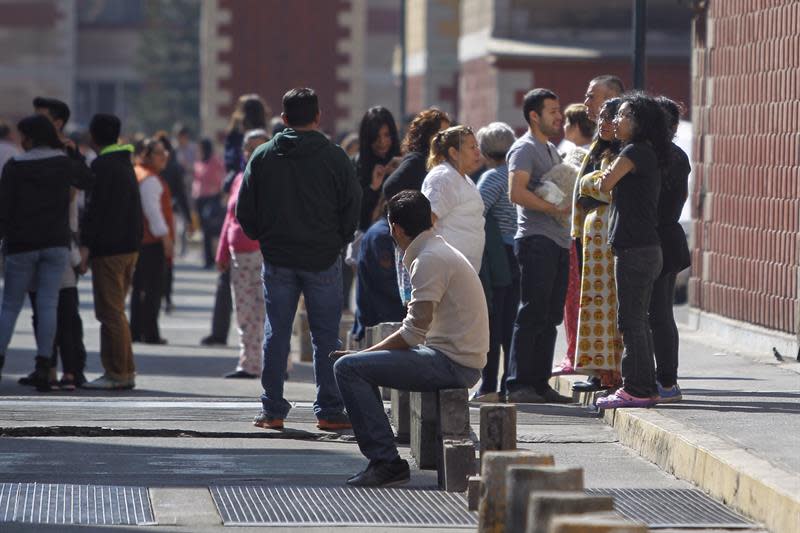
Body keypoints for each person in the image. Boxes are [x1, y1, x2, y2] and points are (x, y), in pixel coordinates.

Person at [333, 191, 488, 487]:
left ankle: (386, 462)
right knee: (355, 365)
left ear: (396, 229)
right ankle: (384, 457)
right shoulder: (435, 250)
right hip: (453, 357)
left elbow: (412, 333)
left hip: (453, 364)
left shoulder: (430, 259)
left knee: (347, 369)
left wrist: (360, 356)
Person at [237, 87, 361, 430]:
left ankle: (272, 409)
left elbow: (244, 210)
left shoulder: (262, 156)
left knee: (276, 333)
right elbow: (353, 205)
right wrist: (339, 239)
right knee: (326, 338)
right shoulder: (335, 157)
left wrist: (265, 237)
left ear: (284, 118)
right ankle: (329, 410)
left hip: (277, 257)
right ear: (318, 116)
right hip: (322, 257)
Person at [0, 115, 92, 389]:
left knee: (10, 305)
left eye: (24, 136)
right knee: (48, 304)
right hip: (55, 243)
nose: (21, 141)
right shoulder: (63, 164)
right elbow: (88, 179)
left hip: (21, 244)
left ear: (31, 138)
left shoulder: (15, 166)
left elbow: (3, 209)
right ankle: (44, 364)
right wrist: (73, 152)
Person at [595, 92, 671, 409]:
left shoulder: (634, 152)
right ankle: (644, 386)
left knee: (632, 322)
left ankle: (637, 388)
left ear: (639, 123)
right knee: (637, 320)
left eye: (623, 115)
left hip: (635, 250)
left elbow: (603, 185)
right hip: (643, 248)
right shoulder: (643, 152)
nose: (616, 120)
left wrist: (606, 162)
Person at [505, 88, 573, 404]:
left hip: (558, 241)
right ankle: (518, 384)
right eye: (552, 111)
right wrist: (553, 209)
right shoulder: (524, 148)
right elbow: (516, 193)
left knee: (550, 316)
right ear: (534, 115)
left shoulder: (551, 150)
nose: (559, 117)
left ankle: (540, 383)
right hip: (535, 240)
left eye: (559, 111)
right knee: (532, 312)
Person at [80, 114, 143, 390]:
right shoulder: (124, 162)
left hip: (108, 250)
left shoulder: (102, 165)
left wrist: (86, 246)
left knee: (110, 313)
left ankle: (117, 372)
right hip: (129, 248)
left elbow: (95, 211)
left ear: (93, 136)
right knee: (117, 312)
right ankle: (125, 370)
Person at [201, 95, 269, 347]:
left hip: (236, 206)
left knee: (230, 282)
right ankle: (261, 345)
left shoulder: (237, 136)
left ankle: (221, 332)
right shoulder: (266, 136)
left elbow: (230, 163)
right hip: (260, 237)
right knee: (262, 293)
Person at [571, 99, 624, 392]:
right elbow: (587, 187)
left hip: (610, 236)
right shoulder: (597, 150)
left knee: (611, 305)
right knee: (594, 303)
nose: (602, 123)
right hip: (592, 238)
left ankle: (616, 371)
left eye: (609, 117)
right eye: (601, 117)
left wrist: (592, 182)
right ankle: (599, 371)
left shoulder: (625, 152)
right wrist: (593, 182)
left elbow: (608, 187)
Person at [216, 129, 270, 379]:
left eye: (260, 146)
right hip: (238, 254)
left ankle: (274, 363)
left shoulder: (274, 177)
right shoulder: (239, 178)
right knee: (244, 312)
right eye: (249, 147)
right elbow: (229, 216)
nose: (253, 152)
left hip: (264, 254)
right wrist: (222, 252)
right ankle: (248, 363)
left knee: (269, 312)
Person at [383, 108, 451, 305]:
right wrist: (412, 214)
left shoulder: (433, 163)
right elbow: (391, 186)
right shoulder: (416, 160)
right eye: (441, 134)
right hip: (413, 242)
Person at [472, 122, 519, 401]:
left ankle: (488, 386)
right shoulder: (517, 174)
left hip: (498, 257)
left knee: (493, 323)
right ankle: (507, 383)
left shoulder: (492, 178)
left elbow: (477, 213)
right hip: (518, 255)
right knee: (510, 324)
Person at [649, 96, 691, 403]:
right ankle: (663, 378)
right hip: (666, 238)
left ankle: (665, 379)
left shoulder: (665, 156)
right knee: (657, 313)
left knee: (659, 314)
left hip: (660, 239)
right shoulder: (671, 154)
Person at [421, 125, 485, 272]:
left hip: (463, 270)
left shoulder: (463, 178)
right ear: (454, 153)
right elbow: (427, 221)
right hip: (445, 268)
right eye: (472, 147)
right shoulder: (443, 177)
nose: (477, 152)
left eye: (477, 146)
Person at [130, 138, 174, 346]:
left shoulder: (138, 173)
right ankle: (150, 332)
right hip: (151, 241)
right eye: (159, 153)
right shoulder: (150, 179)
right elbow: (153, 212)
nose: (164, 157)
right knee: (153, 289)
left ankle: (137, 330)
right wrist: (165, 237)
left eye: (165, 152)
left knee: (140, 287)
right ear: (147, 155)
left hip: (140, 240)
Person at [351, 198, 406, 341]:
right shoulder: (383, 236)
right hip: (379, 325)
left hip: (383, 322)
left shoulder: (384, 232)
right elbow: (390, 285)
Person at [354, 106, 401, 232]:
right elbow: (354, 210)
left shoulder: (403, 161)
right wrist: (373, 187)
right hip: (366, 235)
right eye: (375, 137)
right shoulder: (357, 165)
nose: (382, 142)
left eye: (386, 135)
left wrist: (401, 172)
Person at [193, 139, 225, 269]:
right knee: (204, 231)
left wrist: (219, 191)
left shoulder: (215, 161)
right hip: (199, 199)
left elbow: (222, 175)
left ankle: (218, 257)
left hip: (212, 198)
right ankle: (208, 259)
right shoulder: (199, 161)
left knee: (213, 229)